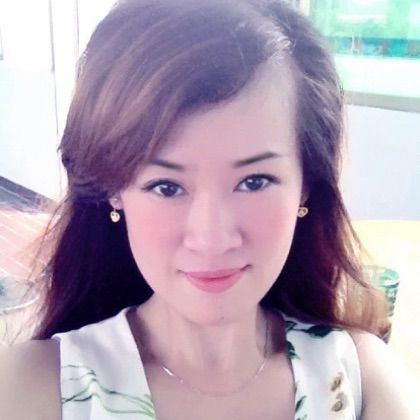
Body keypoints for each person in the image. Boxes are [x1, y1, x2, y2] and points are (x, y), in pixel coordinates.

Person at [0, 0, 415, 419]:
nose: (212, 238)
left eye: (254, 181)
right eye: (166, 187)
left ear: (306, 184)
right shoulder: (33, 388)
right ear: (113, 190)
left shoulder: (360, 379)